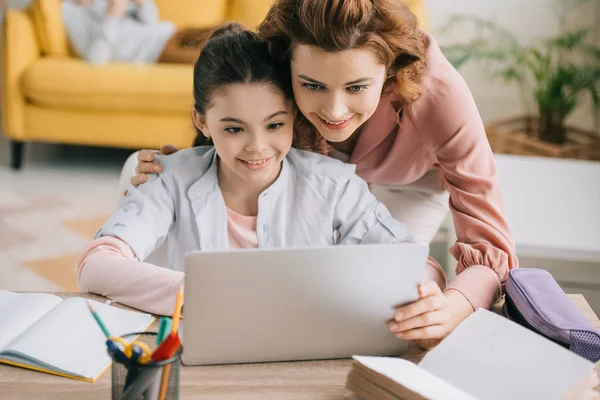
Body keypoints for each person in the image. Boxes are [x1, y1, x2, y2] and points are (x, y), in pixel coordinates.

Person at [131, 0, 519, 349]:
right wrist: (184, 164)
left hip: (409, 184)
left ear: (388, 74)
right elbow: (232, 107)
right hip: (321, 179)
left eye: (357, 87)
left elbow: (493, 247)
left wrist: (453, 306)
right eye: (312, 85)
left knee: (390, 300)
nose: (334, 112)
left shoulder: (438, 92)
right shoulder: (280, 61)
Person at [77, 24, 447, 317]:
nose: (257, 147)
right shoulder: (170, 177)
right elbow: (96, 265)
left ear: (294, 115)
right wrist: (207, 296)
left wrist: (427, 293)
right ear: (202, 121)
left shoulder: (333, 185)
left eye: (273, 125)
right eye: (234, 129)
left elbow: (420, 266)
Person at [62, 0, 214, 65]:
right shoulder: (70, 12)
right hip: (155, 52)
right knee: (217, 60)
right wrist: (112, 16)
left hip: (170, 32)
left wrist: (142, 3)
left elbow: (151, 22)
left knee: (230, 29)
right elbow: (96, 58)